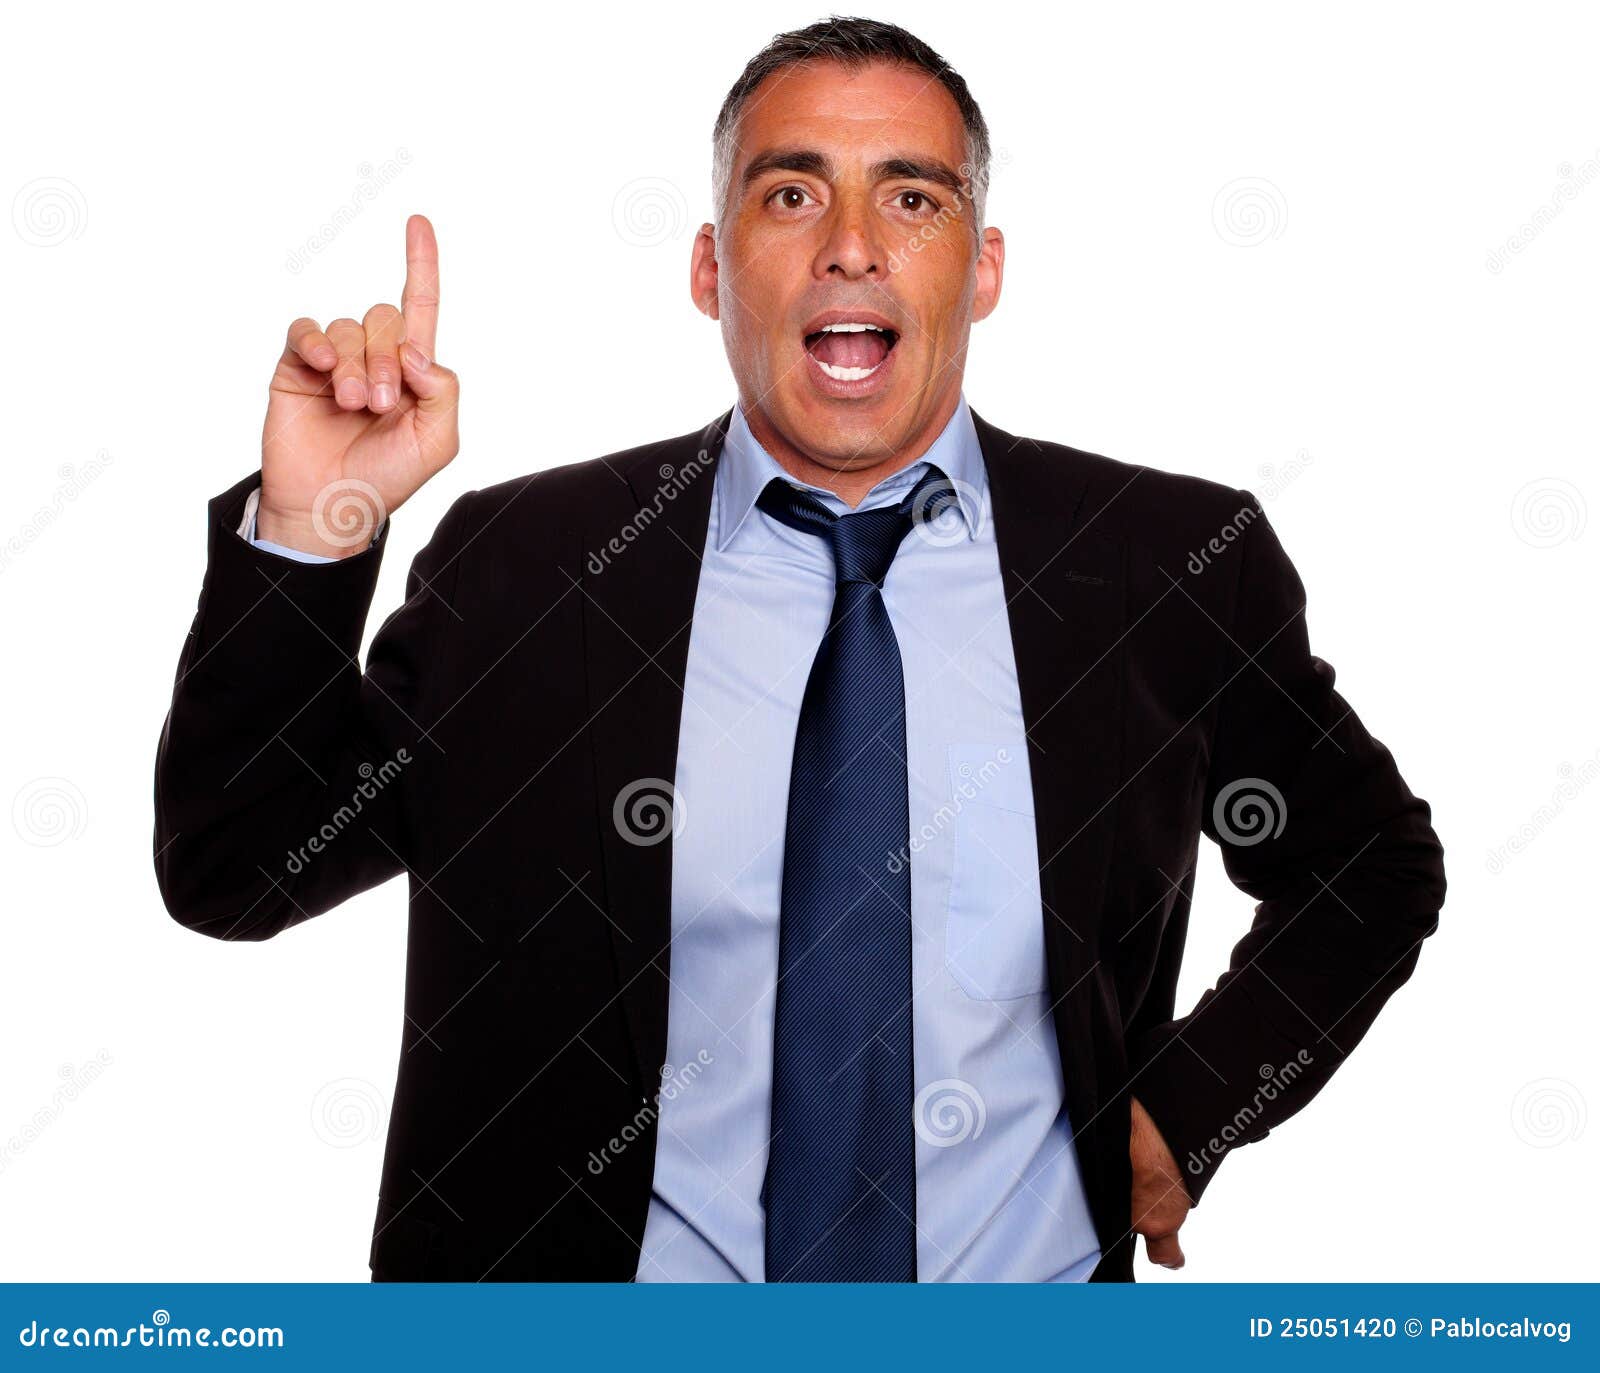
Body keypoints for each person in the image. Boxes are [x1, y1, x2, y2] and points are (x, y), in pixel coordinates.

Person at [153, 17, 1446, 1282]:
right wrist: (316, 522)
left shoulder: (1165, 564)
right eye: (790, 195)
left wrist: (1192, 1105)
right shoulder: (527, 568)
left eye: (913, 200)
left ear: (983, 270)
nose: (851, 247)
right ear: (711, 269)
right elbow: (236, 866)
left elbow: (1367, 863)